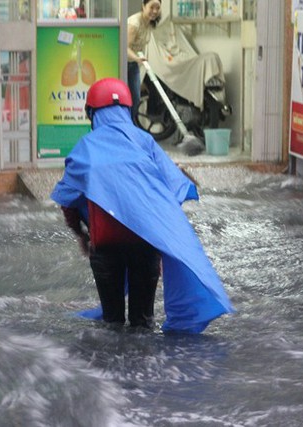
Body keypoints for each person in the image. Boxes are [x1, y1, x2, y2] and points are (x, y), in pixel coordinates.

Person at [51, 78, 234, 333]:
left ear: (91, 113)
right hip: (145, 249)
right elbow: (170, 191)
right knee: (143, 325)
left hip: (105, 251)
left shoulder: (86, 149)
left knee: (112, 325)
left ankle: (111, 371)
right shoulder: (145, 142)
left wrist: (81, 235)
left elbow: (68, 200)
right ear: (128, 109)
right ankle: (145, 371)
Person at [127, 0, 161, 123]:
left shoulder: (150, 23)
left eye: (158, 8)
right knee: (124, 98)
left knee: (135, 98)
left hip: (132, 64)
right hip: (121, 64)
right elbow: (125, 47)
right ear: (143, 6)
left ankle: (130, 125)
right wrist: (137, 58)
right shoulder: (135, 23)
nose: (155, 11)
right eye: (152, 7)